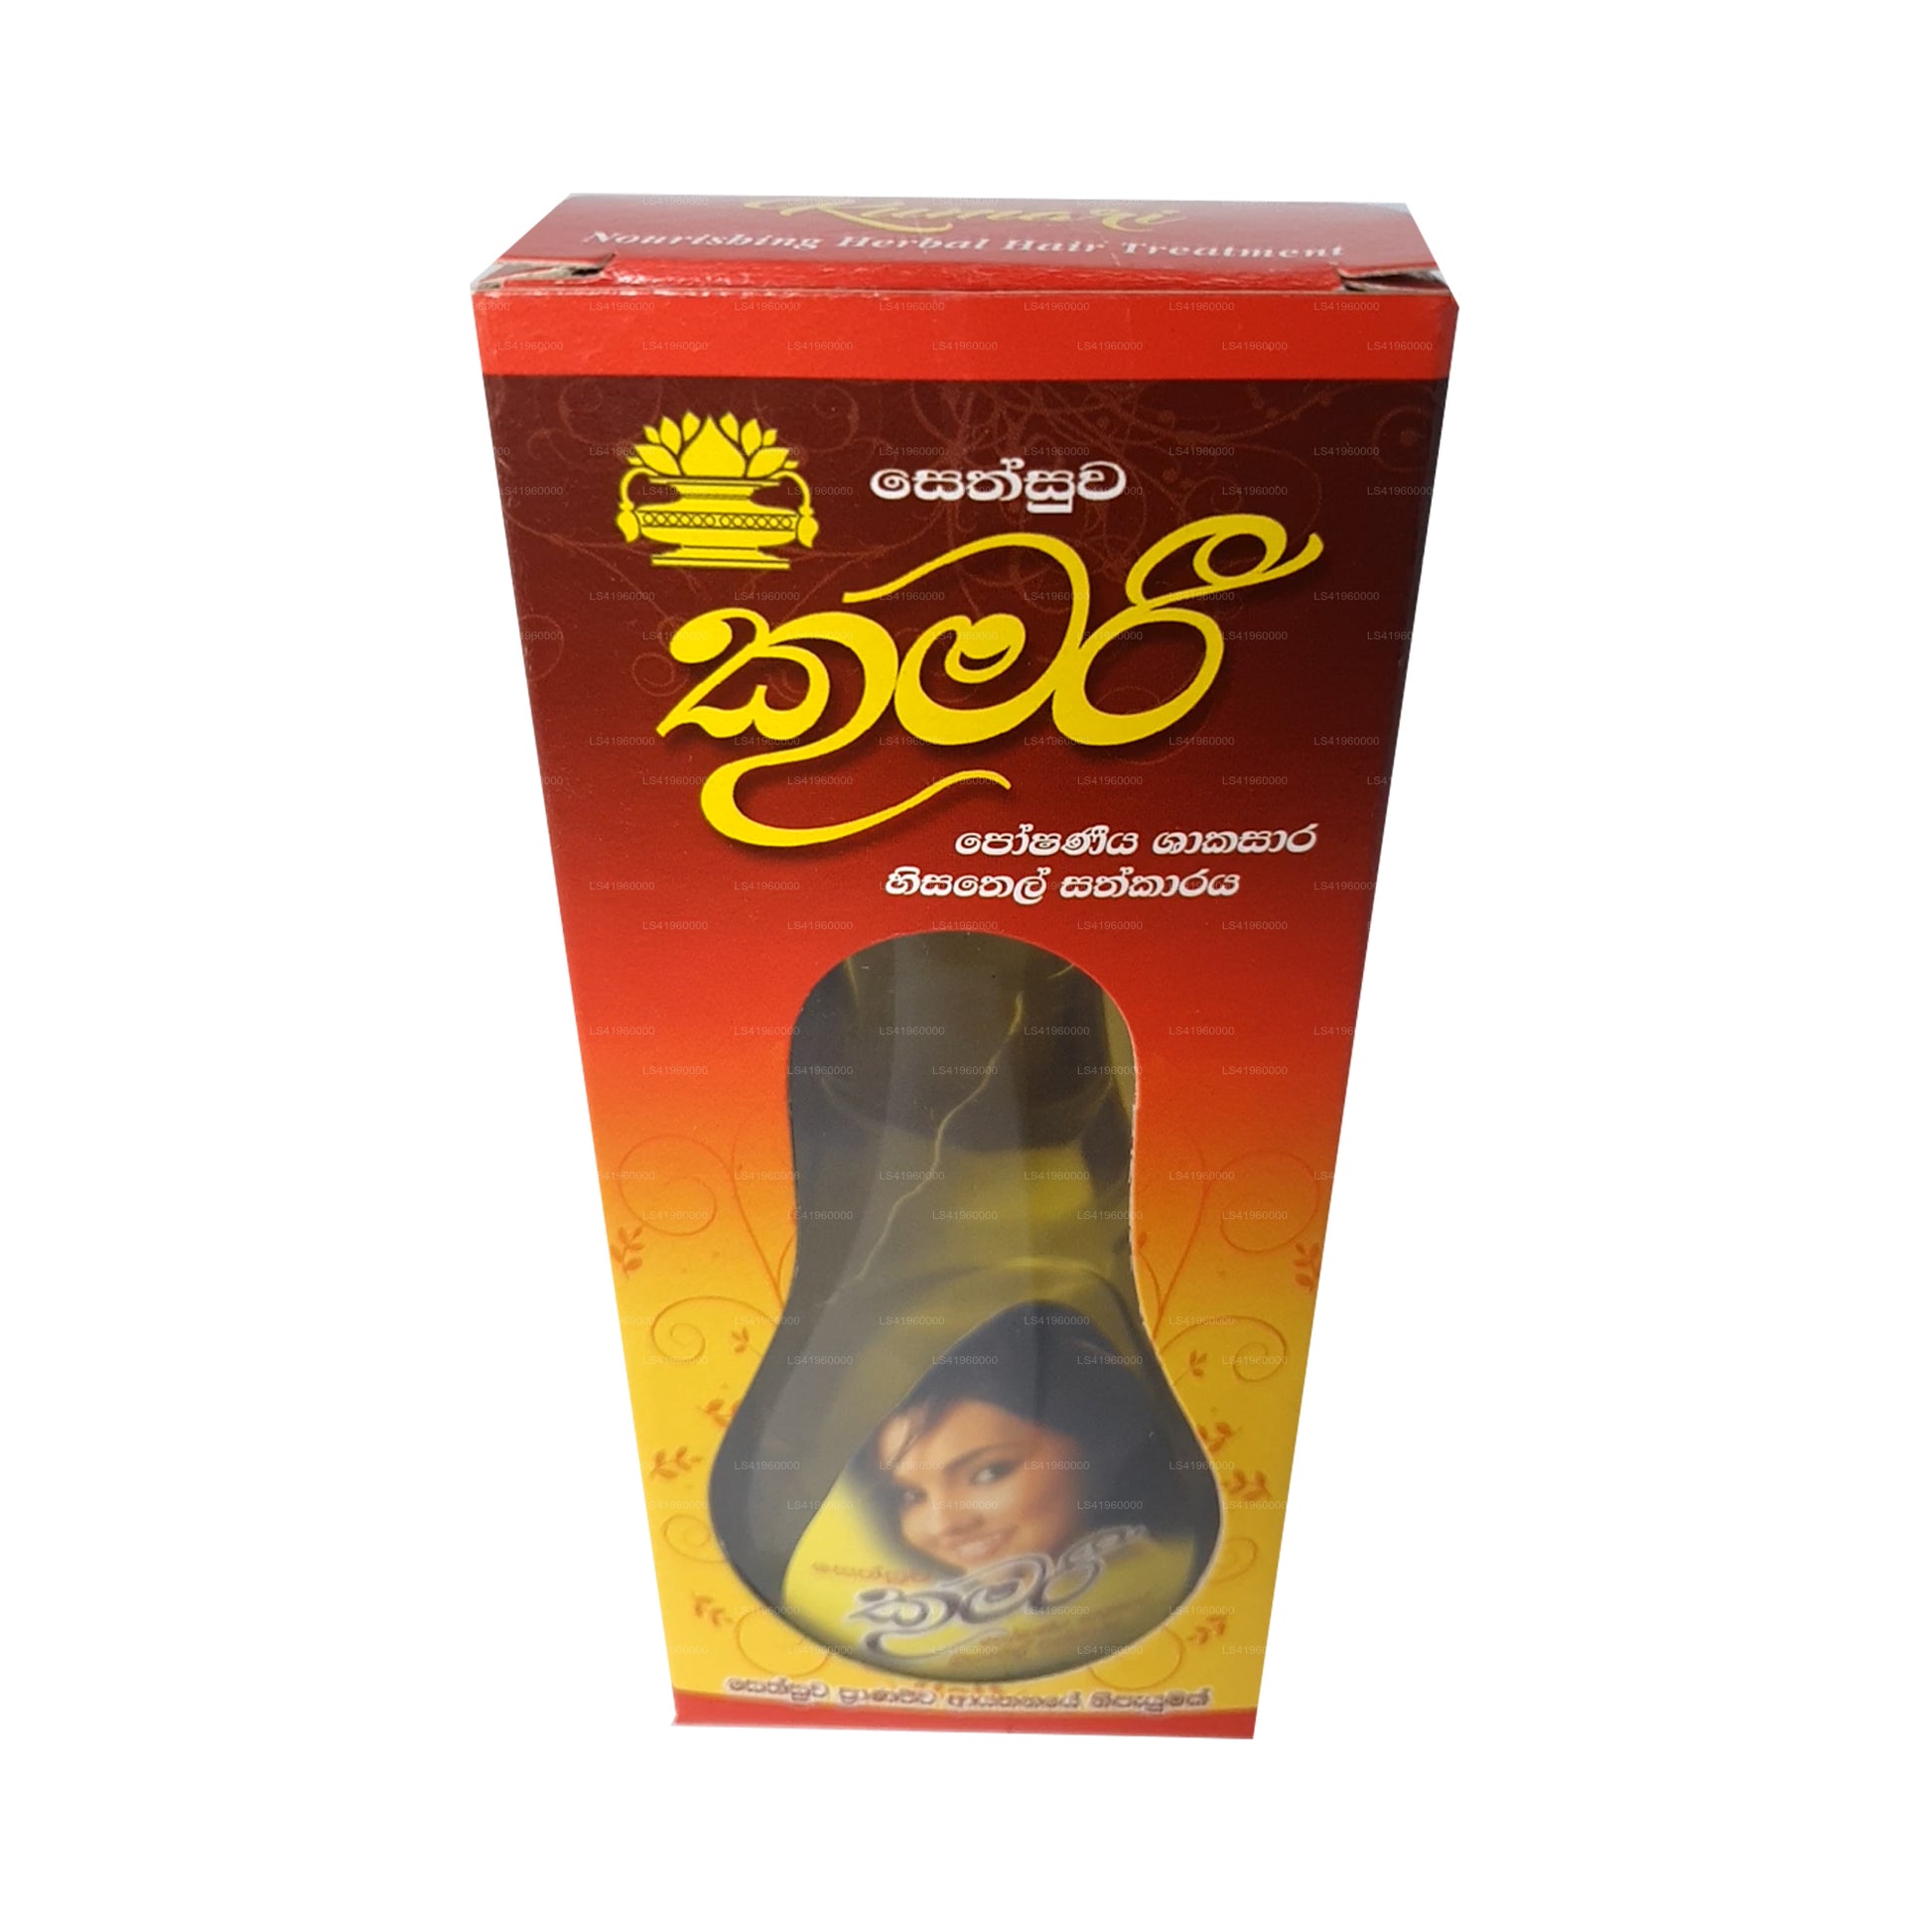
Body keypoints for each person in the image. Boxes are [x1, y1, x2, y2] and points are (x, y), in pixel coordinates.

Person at [863, 1303, 1184, 1575]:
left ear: (1095, 1439)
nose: (944, 1524)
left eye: (989, 1473)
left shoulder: (1176, 1575)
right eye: (910, 1496)